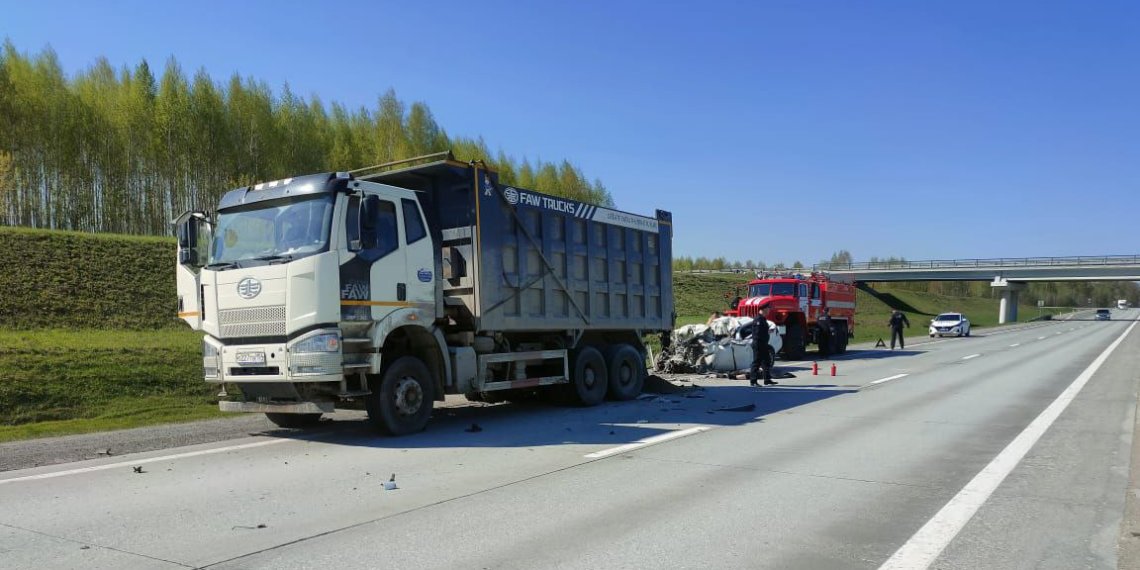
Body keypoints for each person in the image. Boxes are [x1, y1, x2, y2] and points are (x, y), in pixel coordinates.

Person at [749, 306, 777, 386]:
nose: (769, 311)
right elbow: (757, 333)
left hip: (764, 343)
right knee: (756, 362)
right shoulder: (758, 319)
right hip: (759, 343)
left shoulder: (763, 319)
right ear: (764, 310)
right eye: (768, 309)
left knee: (766, 361)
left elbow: (762, 331)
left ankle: (767, 379)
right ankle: (753, 381)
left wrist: (768, 331)